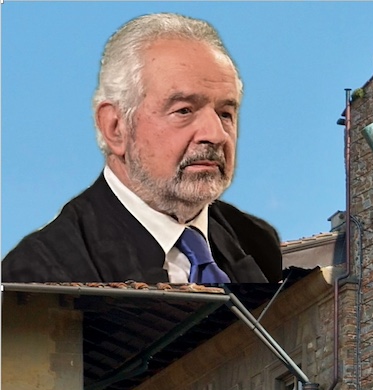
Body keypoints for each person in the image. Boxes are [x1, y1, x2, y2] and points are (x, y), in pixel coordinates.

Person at [2, 13, 282, 284]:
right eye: (184, 110)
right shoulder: (39, 273)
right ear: (115, 127)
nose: (216, 134)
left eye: (225, 113)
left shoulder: (258, 242)